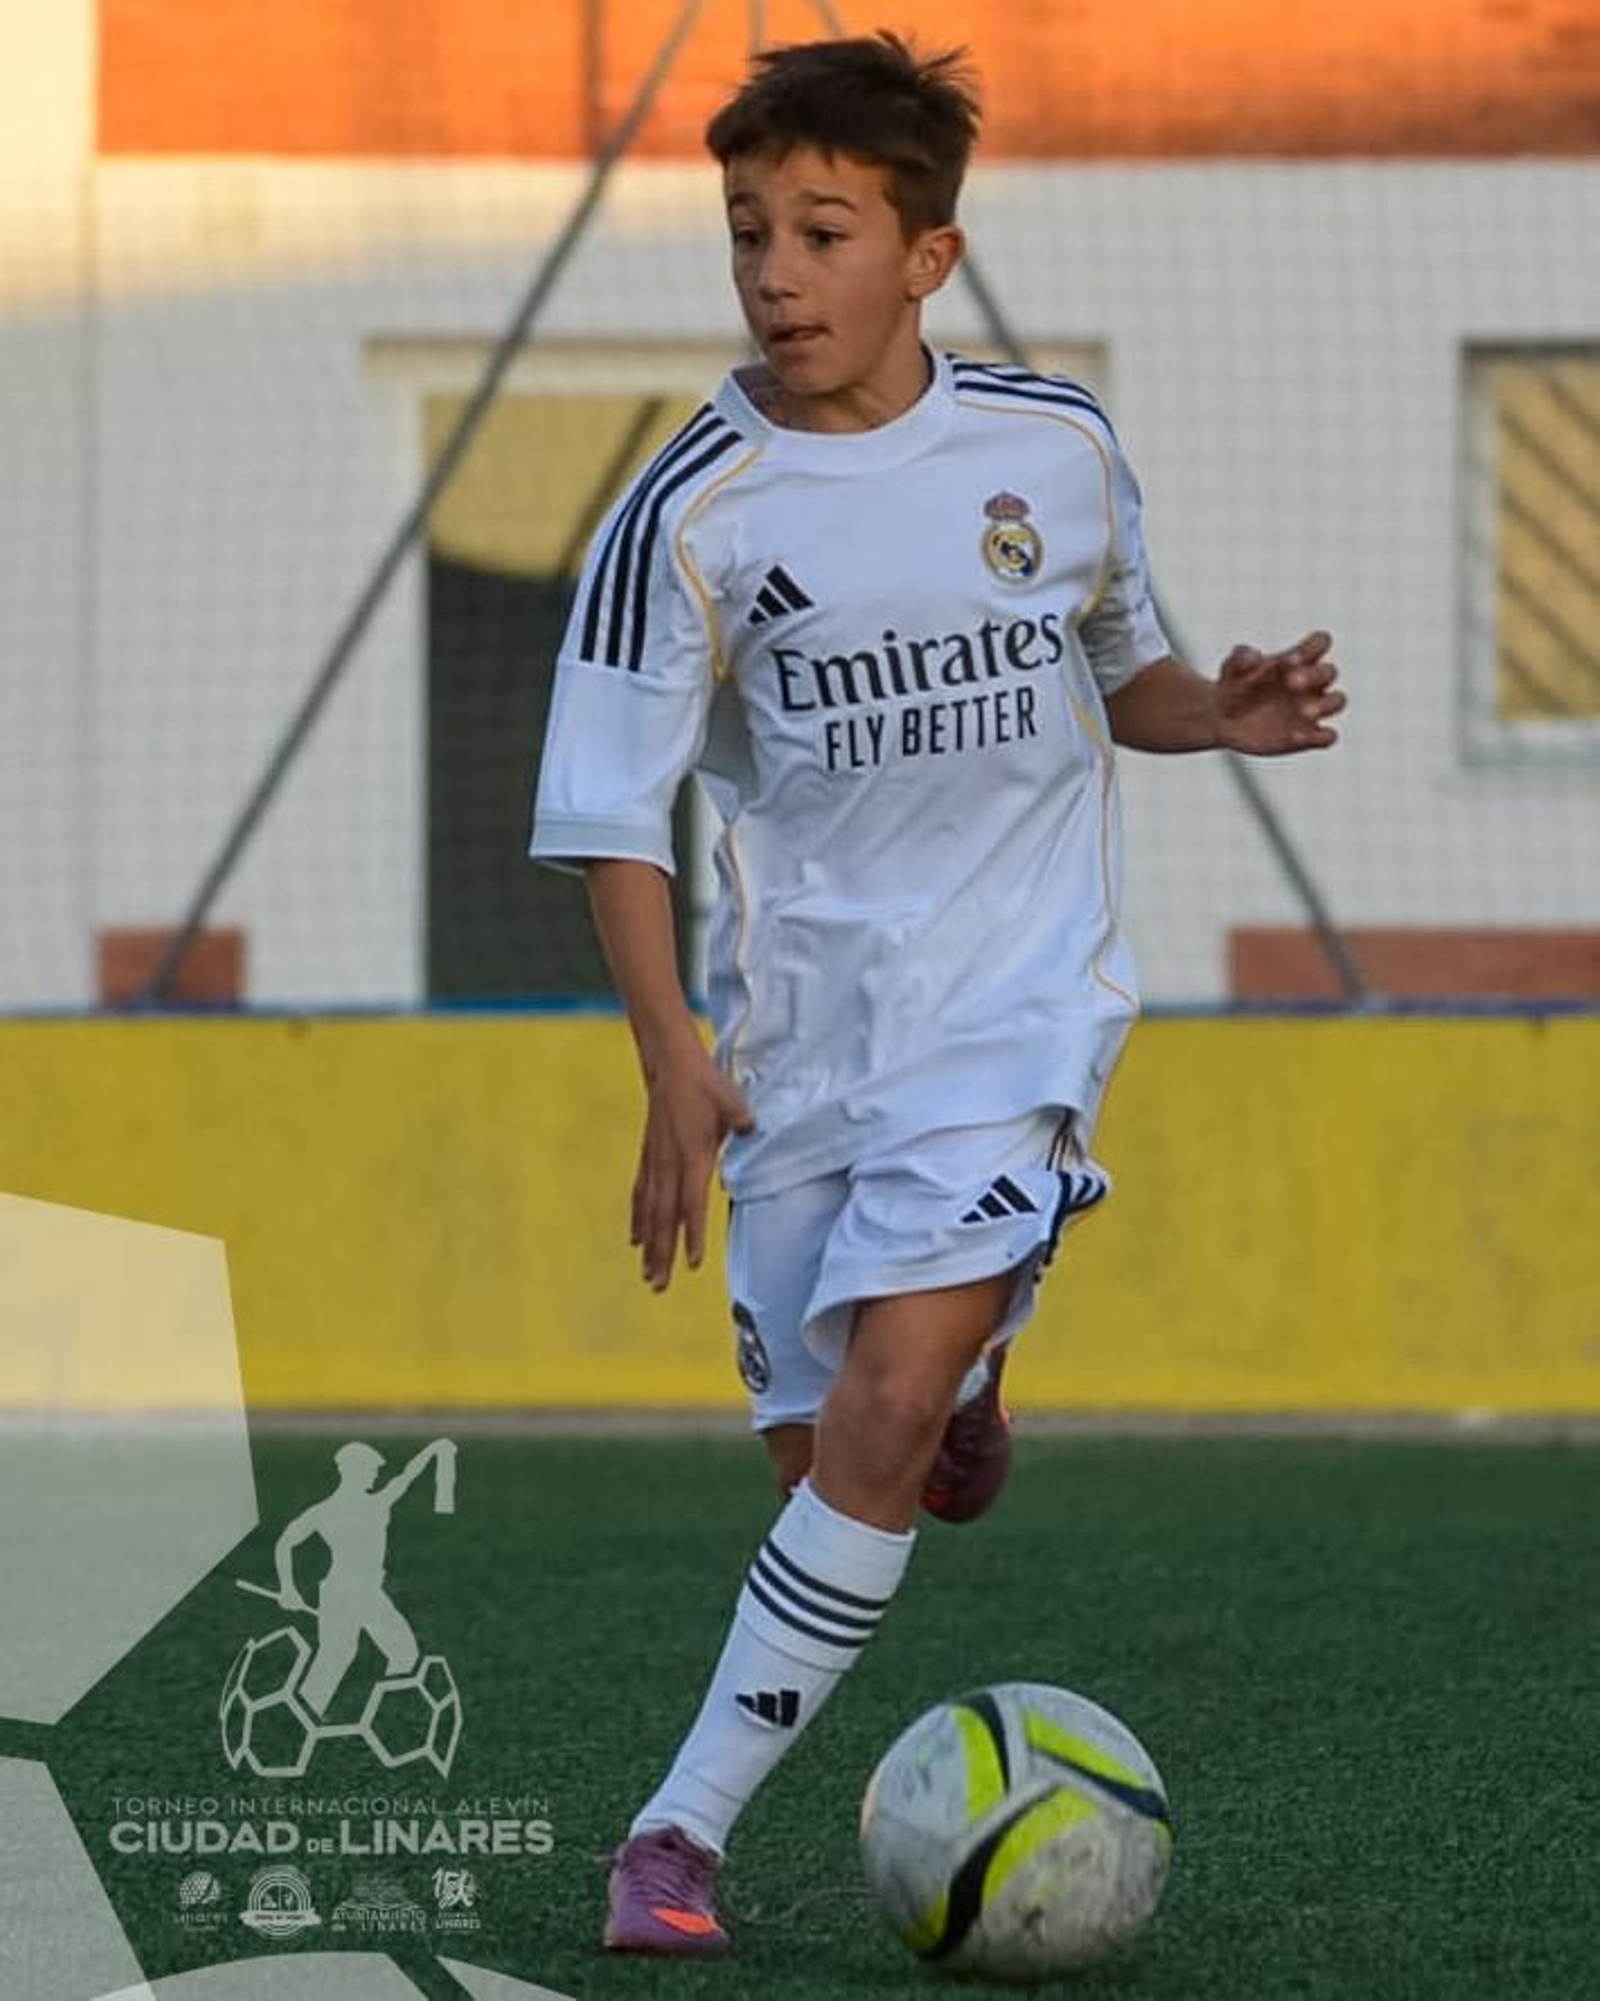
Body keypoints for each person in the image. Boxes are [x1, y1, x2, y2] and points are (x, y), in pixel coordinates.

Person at [530, 30, 1343, 1957]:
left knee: (877, 1421)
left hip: (1014, 1019)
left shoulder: (1050, 450)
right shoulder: (687, 517)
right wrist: (672, 1065)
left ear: (929, 255)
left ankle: (674, 1841)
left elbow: (1119, 670)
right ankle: (972, 1363)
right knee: (834, 1469)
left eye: (823, 230)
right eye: (748, 234)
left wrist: (1210, 715)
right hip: (805, 1047)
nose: (777, 274)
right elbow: (611, 820)